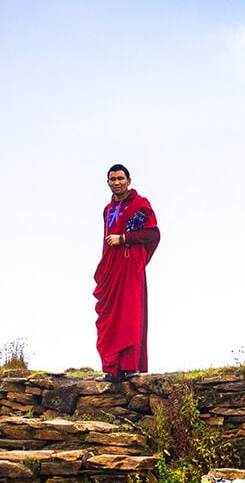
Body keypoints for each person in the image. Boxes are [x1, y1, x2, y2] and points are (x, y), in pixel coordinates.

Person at [93, 164, 160, 382]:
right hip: (111, 269)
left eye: (121, 178)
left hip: (130, 267)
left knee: (130, 314)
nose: (117, 182)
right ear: (108, 183)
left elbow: (152, 234)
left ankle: (130, 366)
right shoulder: (107, 210)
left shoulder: (141, 205)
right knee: (110, 316)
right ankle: (112, 368)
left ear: (129, 181)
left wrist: (124, 240)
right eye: (112, 179)